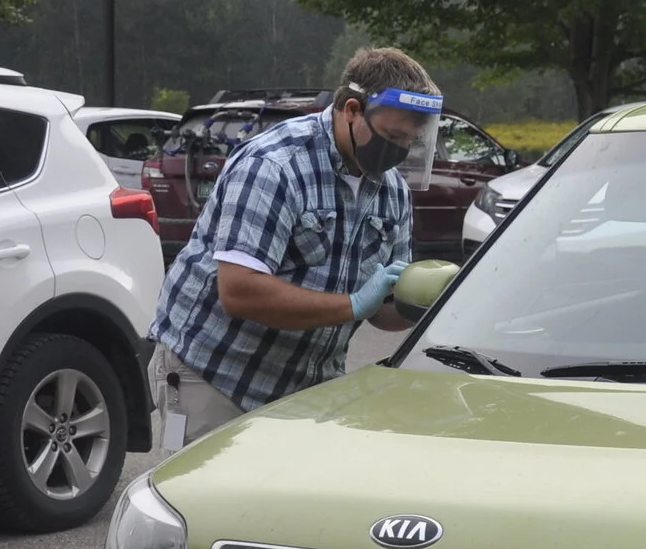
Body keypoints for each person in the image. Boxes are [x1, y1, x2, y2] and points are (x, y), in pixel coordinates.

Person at [146, 47, 442, 450]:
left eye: (410, 140)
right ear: (352, 109)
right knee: (210, 506)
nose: (399, 152)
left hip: (306, 389)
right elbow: (239, 290)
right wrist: (353, 304)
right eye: (392, 137)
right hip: (215, 374)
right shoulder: (275, 164)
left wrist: (425, 300)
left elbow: (385, 312)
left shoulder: (392, 191)